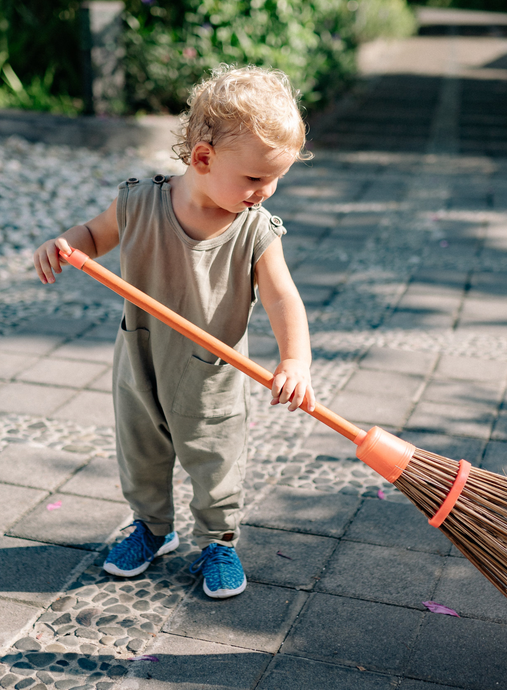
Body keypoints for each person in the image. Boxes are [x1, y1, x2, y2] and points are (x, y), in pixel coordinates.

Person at [33, 64, 315, 599]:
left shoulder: (254, 228)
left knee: (214, 458)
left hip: (211, 372)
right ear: (204, 159)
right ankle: (151, 528)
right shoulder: (139, 200)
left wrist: (295, 361)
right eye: (255, 178)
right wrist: (65, 244)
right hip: (140, 358)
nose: (267, 191)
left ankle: (219, 540)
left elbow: (282, 296)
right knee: (140, 451)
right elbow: (94, 234)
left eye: (275, 179)